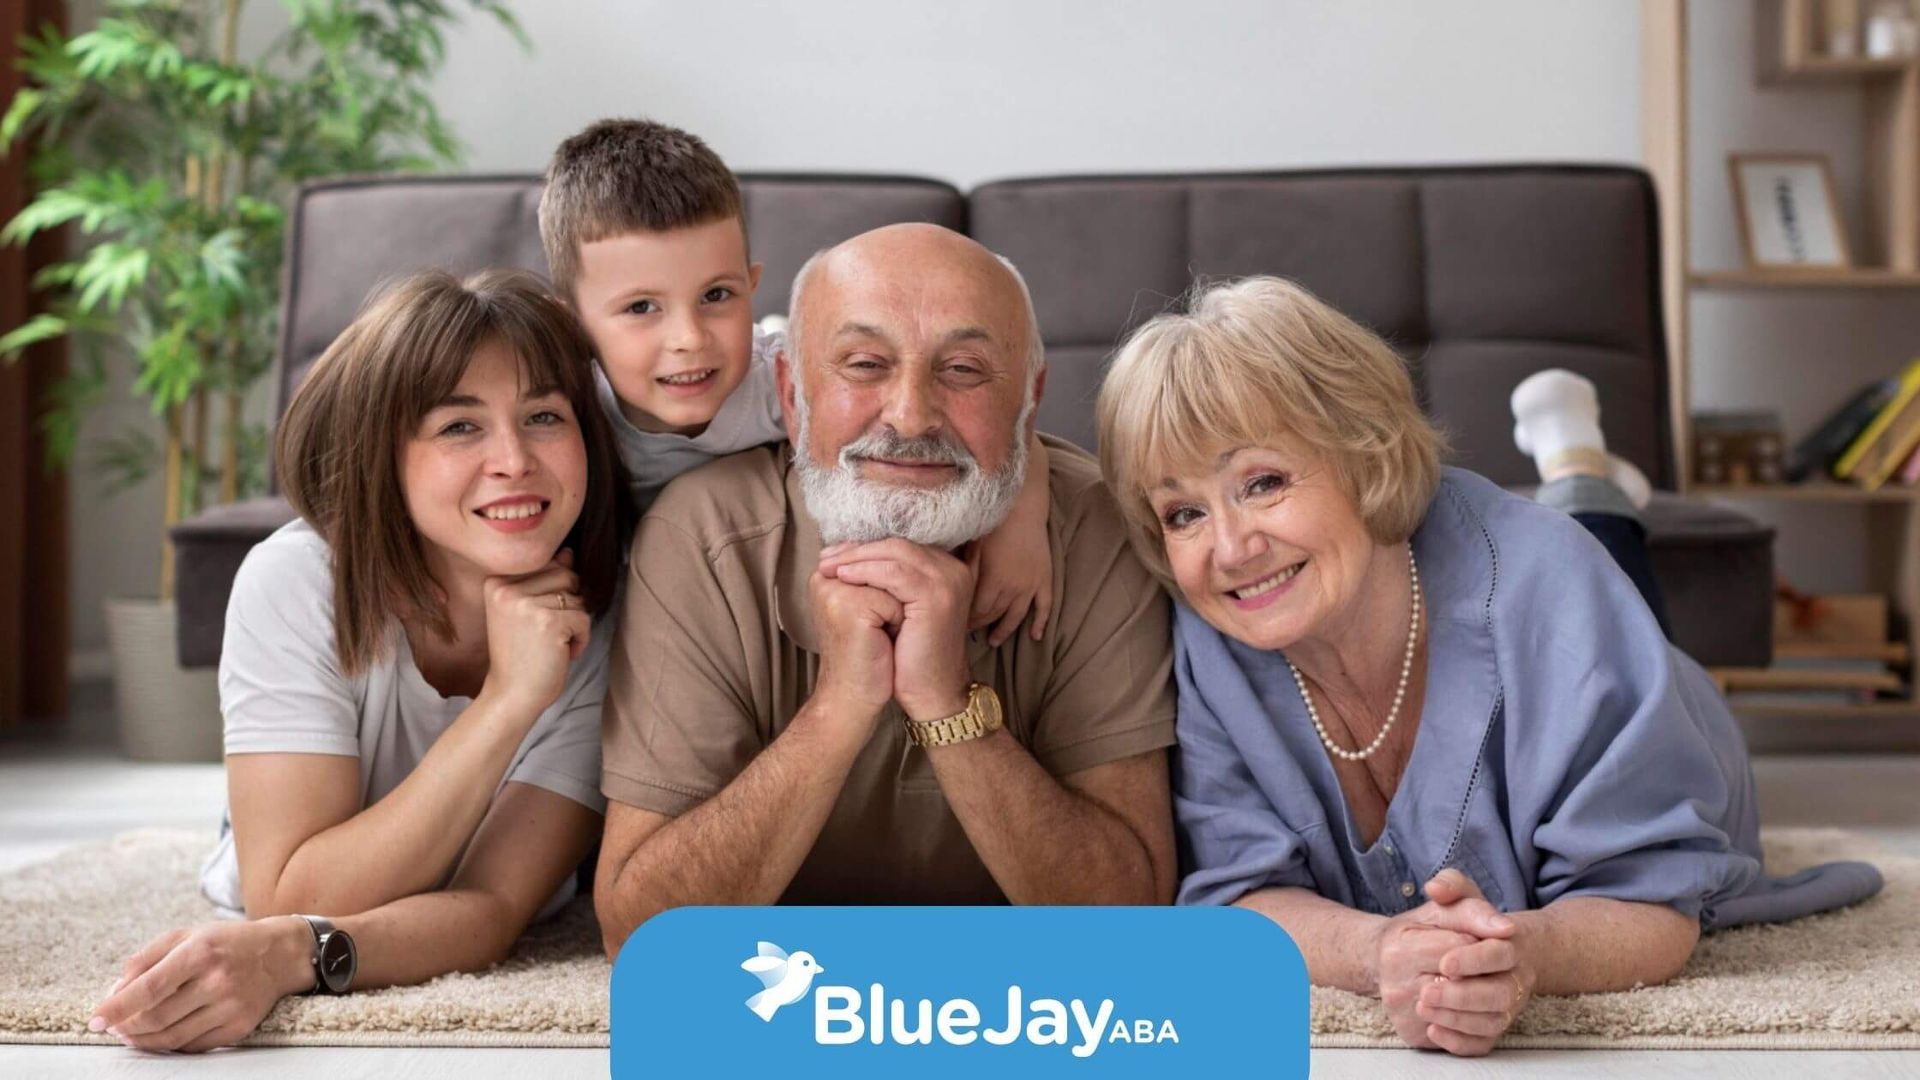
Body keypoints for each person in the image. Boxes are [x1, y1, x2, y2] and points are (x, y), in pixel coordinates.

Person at [1094, 276, 1883, 1057]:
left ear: (1364, 453)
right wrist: (1381, 955)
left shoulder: (1552, 591)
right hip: (1502, 577)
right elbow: (1235, 902)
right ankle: (1581, 469)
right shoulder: (1209, 634)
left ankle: (1583, 470)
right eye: (1184, 513)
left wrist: (1523, 956)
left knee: (1590, 564)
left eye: (1262, 483)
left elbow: (1649, 900)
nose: (1229, 549)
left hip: (1636, 676)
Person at [592, 224, 1179, 953]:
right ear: (790, 395)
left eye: (964, 370)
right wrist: (840, 704)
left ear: (1029, 403)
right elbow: (642, 936)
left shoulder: (1103, 530)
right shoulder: (702, 537)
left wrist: (945, 699)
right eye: (865, 365)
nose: (910, 415)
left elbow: (1133, 922)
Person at [87, 269, 632, 1053]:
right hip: (294, 847)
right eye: (458, 427)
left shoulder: (606, 617)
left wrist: (293, 957)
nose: (514, 459)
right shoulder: (296, 580)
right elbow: (288, 893)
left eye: (544, 416)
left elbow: (490, 911)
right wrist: (507, 701)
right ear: (384, 452)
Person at [539, 117, 1053, 647]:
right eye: (641, 307)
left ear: (752, 285)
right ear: (571, 323)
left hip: (746, 599)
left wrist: (1021, 527)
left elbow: (1002, 424)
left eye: (717, 296)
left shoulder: (779, 380)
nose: (689, 338)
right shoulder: (563, 415)